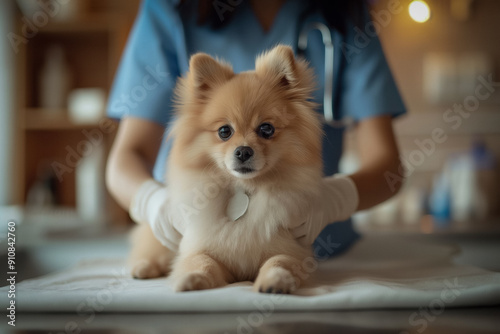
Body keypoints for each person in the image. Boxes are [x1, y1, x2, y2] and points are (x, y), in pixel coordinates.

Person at [105, 0, 406, 258]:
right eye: (225, 132)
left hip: (314, 245)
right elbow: (126, 159)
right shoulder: (172, 8)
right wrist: (156, 204)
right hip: (195, 242)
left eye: (266, 129)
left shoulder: (344, 12)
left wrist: (333, 200)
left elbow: (388, 169)